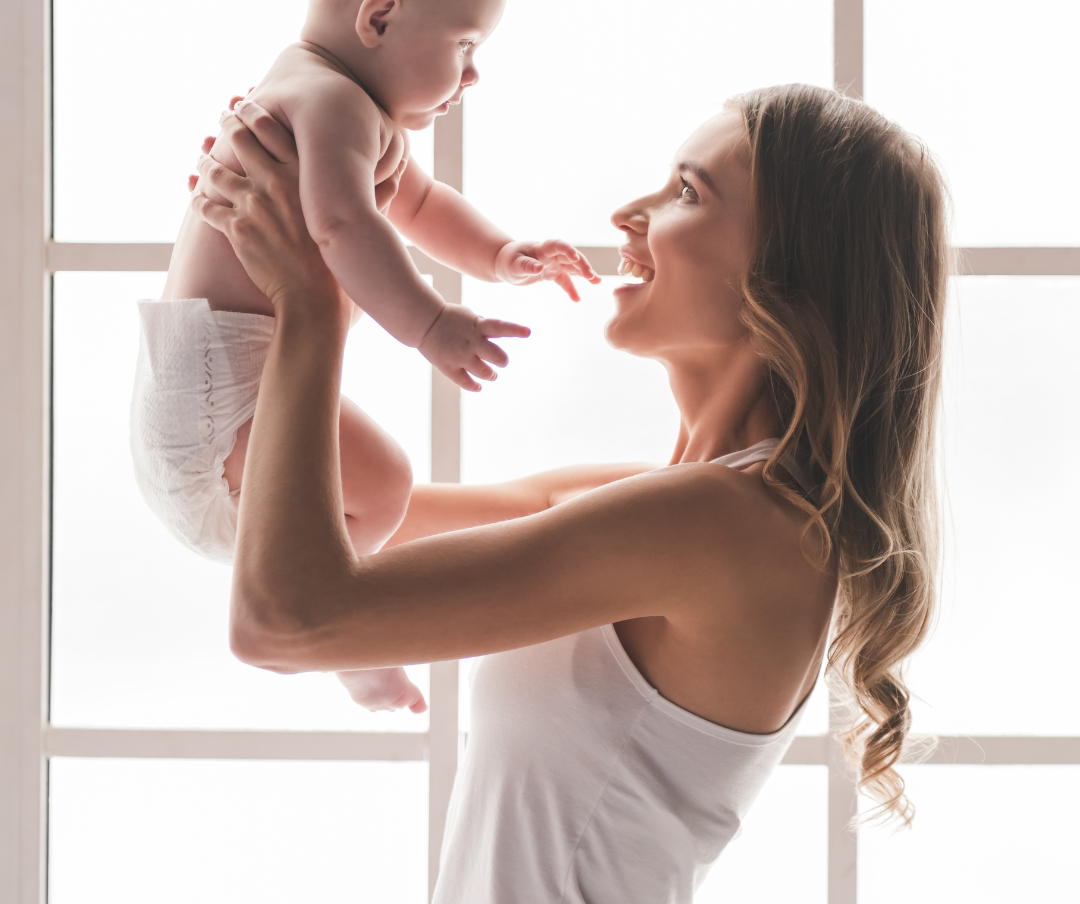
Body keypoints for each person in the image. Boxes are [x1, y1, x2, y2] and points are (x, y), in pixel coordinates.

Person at [192, 83, 948, 903]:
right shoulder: (670, 507)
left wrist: (311, 303)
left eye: (688, 192)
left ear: (788, 276)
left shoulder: (729, 528)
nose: (629, 212)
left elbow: (282, 621)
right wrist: (262, 232)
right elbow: (319, 521)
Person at [130, 0, 597, 713]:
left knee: (381, 494)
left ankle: (325, 611)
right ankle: (340, 635)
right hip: (218, 406)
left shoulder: (336, 99)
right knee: (383, 486)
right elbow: (346, 227)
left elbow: (413, 205)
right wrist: (431, 327)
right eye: (464, 45)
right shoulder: (330, 102)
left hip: (201, 404)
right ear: (378, 18)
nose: (474, 75)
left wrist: (499, 254)